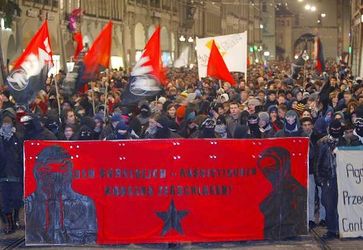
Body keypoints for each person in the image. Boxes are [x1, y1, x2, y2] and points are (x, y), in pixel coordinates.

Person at [25, 146, 97, 244]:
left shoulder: (85, 204)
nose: (55, 177)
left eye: (62, 169)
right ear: (37, 173)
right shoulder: (30, 204)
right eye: (47, 171)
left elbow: (91, 238)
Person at [316, 119, 348, 239]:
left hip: (343, 178)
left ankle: (341, 228)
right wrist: (320, 179)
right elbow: (317, 162)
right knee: (328, 204)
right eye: (334, 129)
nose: (336, 131)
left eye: (338, 130)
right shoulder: (322, 143)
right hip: (328, 177)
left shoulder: (345, 141)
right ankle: (331, 229)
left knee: (341, 204)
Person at [0, 111, 23, 234]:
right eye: (4, 124)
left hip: (15, 174)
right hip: (3, 175)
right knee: (5, 202)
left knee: (16, 199)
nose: (6, 126)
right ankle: (9, 223)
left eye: (8, 124)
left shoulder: (18, 137)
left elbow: (21, 154)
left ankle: (15, 219)